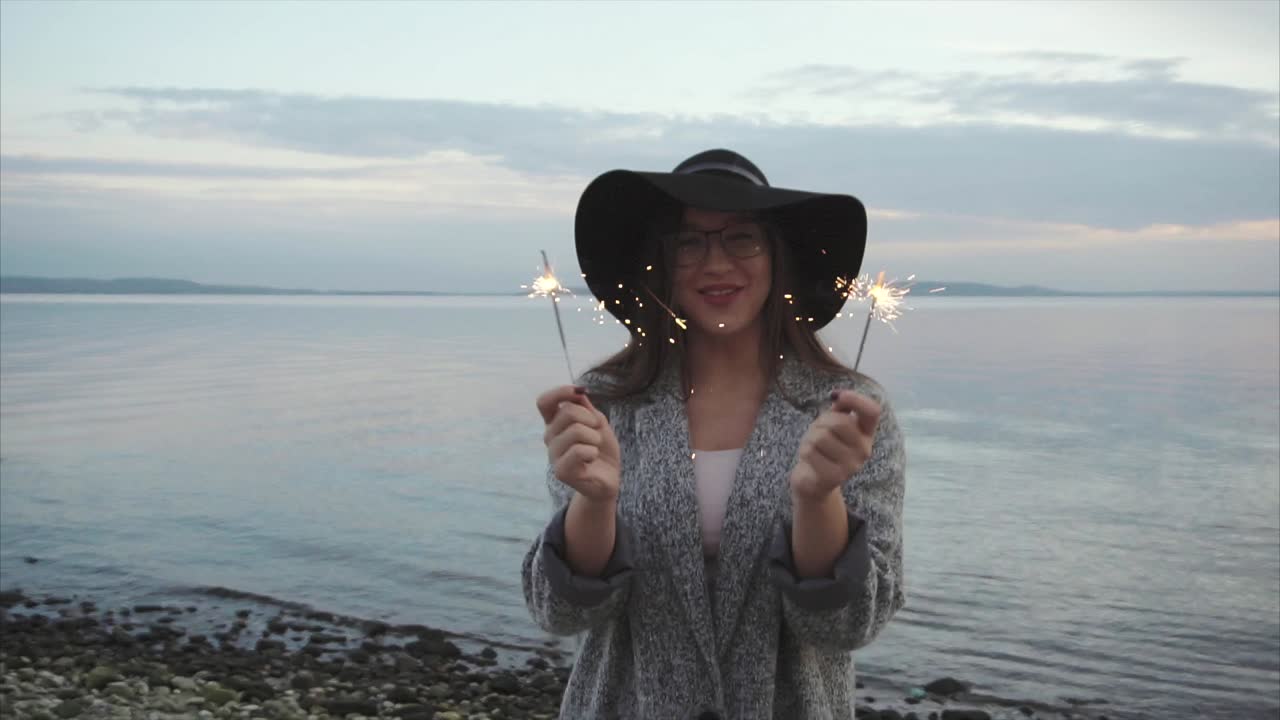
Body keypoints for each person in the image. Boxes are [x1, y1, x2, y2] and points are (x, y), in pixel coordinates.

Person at [522, 149, 906, 719]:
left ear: (778, 258)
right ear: (660, 264)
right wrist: (594, 501)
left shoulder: (851, 413)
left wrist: (817, 498)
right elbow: (562, 615)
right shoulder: (604, 404)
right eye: (689, 243)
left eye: (742, 239)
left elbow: (850, 625)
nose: (715, 263)